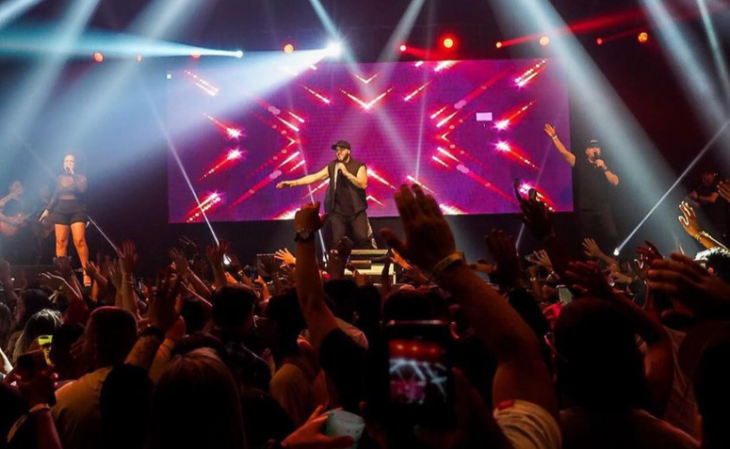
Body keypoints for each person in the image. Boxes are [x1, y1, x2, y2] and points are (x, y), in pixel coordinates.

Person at [276, 140, 372, 249]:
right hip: (338, 211)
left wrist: (347, 173)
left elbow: (363, 184)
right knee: (338, 242)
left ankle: (368, 258)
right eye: (336, 150)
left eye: (341, 150)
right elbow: (315, 177)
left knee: (362, 238)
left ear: (348, 151)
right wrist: (292, 183)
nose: (338, 152)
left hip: (356, 211)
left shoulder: (359, 166)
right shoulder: (333, 166)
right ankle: (340, 260)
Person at [545, 125, 620, 253]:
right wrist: (554, 136)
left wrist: (604, 168)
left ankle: (607, 257)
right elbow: (564, 153)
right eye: (591, 147)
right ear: (586, 151)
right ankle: (590, 260)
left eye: (597, 147)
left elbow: (615, 182)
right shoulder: (580, 163)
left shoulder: (605, 165)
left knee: (611, 235)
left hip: (603, 208)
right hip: (586, 209)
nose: (595, 149)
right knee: (587, 239)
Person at [39, 154, 90, 286]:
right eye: (66, 161)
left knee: (79, 240)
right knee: (61, 242)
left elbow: (82, 190)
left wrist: (73, 174)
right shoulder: (59, 178)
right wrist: (47, 210)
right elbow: (55, 195)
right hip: (61, 211)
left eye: (71, 161)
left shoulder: (81, 177)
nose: (68, 163)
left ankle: (87, 272)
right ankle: (63, 274)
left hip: (77, 210)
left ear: (75, 164)